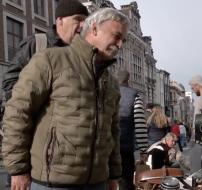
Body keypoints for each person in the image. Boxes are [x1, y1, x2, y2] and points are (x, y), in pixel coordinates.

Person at [2, 7, 129, 190]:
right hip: (52, 182)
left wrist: (114, 175)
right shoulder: (50, 60)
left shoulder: (110, 81)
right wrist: (18, 170)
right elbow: (17, 113)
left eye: (123, 40)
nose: (120, 44)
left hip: (98, 182)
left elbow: (113, 132)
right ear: (94, 29)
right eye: (116, 36)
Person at [1, 0, 89, 187]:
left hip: (64, 158)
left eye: (85, 21)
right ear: (60, 20)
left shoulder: (81, 53)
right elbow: (10, 81)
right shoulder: (38, 43)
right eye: (78, 19)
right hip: (33, 141)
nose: (83, 25)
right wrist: (36, 104)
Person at [117, 69, 148, 190]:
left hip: (107, 146)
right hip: (125, 146)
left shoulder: (106, 91)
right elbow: (140, 123)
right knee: (126, 182)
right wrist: (143, 150)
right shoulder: (134, 95)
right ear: (128, 79)